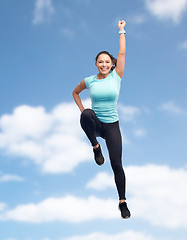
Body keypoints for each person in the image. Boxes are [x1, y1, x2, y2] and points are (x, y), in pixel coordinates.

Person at [72, 20, 130, 219]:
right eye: (100, 62)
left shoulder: (117, 76)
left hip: (112, 126)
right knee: (86, 114)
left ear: (112, 64)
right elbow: (75, 92)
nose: (104, 64)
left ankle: (122, 202)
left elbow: (121, 53)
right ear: (96, 64)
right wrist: (81, 108)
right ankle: (96, 147)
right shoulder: (90, 80)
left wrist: (121, 31)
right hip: (96, 123)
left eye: (107, 62)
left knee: (116, 164)